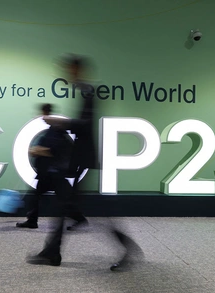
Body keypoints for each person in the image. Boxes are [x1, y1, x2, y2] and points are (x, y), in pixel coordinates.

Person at [26, 54, 142, 270]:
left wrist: (62, 123)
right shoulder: (85, 91)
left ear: (76, 70)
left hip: (83, 160)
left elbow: (86, 125)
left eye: (68, 70)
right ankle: (52, 252)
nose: (66, 74)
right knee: (66, 206)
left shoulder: (89, 92)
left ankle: (127, 249)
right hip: (81, 159)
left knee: (90, 209)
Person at [15, 103, 87, 229]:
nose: (42, 117)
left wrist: (36, 151)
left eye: (44, 114)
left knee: (61, 199)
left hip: (55, 174)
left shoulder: (56, 130)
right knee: (37, 196)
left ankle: (79, 219)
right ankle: (32, 220)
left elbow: (52, 151)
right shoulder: (53, 130)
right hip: (50, 173)